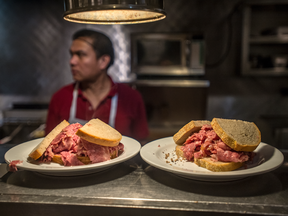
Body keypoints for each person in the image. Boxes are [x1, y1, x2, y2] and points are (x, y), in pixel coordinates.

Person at [45, 29, 149, 143]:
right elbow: (48, 145)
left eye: (81, 54)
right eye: (72, 54)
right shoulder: (60, 98)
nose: (72, 61)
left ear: (103, 61)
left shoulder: (131, 98)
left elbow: (141, 144)